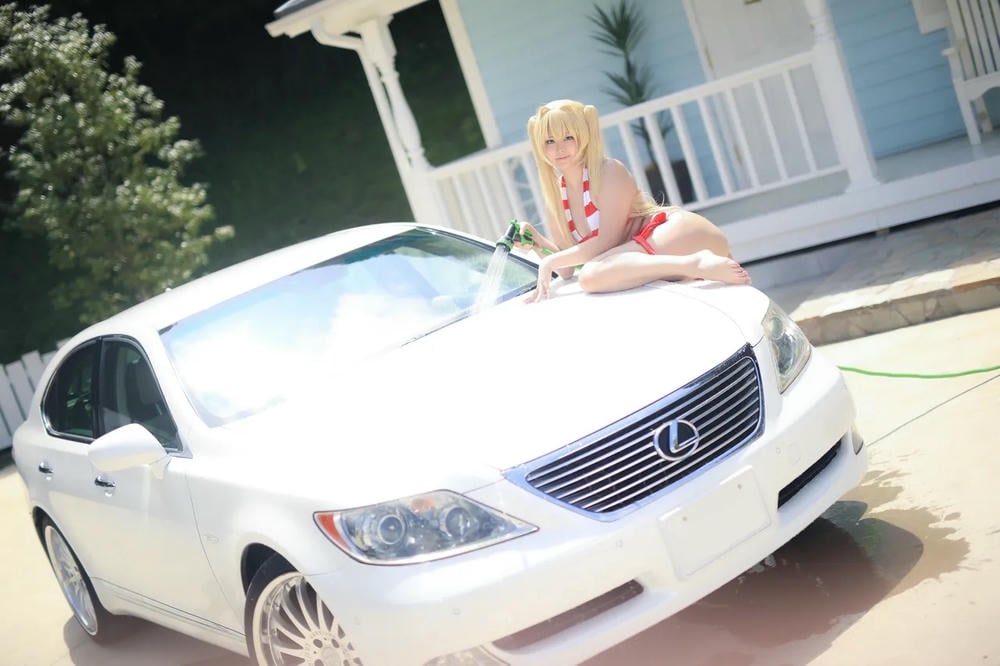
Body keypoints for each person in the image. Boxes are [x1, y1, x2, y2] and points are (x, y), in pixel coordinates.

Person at [517, 99, 750, 302]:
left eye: (568, 137)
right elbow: (567, 269)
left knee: (591, 275)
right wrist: (537, 241)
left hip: (673, 233)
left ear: (584, 135)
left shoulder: (608, 171)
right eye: (549, 141)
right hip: (637, 257)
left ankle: (696, 263)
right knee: (591, 275)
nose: (559, 148)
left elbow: (605, 242)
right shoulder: (556, 197)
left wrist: (549, 263)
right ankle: (693, 264)